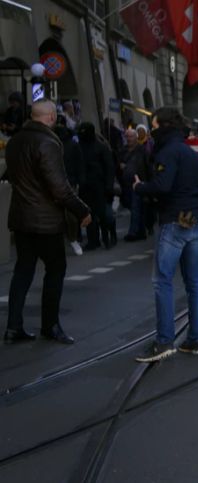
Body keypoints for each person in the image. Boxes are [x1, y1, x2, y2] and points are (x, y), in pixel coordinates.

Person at [133, 107, 198, 361]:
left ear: (163, 126)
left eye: (154, 125)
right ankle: (195, 340)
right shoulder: (191, 153)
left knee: (162, 281)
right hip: (194, 222)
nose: (152, 129)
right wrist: (197, 209)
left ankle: (164, 342)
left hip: (173, 221)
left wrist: (139, 187)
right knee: (194, 283)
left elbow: (162, 186)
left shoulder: (167, 152)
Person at [4, 99, 92, 344]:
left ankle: (13, 326)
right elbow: (60, 187)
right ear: (52, 117)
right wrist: (81, 210)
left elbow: (11, 176)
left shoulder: (15, 142)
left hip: (21, 219)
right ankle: (50, 325)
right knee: (55, 271)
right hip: (45, 221)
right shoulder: (48, 142)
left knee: (23, 271)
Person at [76, 122, 117, 250]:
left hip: (100, 185)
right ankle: (93, 240)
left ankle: (107, 236)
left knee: (103, 213)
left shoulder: (101, 147)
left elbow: (109, 167)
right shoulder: (79, 147)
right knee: (89, 214)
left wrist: (109, 185)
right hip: (85, 185)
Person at [53, 124, 85, 255]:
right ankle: (73, 238)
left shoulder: (63, 145)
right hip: (66, 182)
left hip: (64, 182)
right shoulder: (69, 145)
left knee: (67, 214)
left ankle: (72, 238)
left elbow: (79, 163)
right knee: (68, 213)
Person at [123, 128, 153, 241]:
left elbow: (148, 166)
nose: (129, 139)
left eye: (131, 136)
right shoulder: (123, 150)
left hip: (139, 182)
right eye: (127, 136)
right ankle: (141, 231)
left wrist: (149, 182)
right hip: (126, 184)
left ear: (136, 137)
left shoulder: (142, 150)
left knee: (136, 207)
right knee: (133, 207)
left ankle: (133, 232)